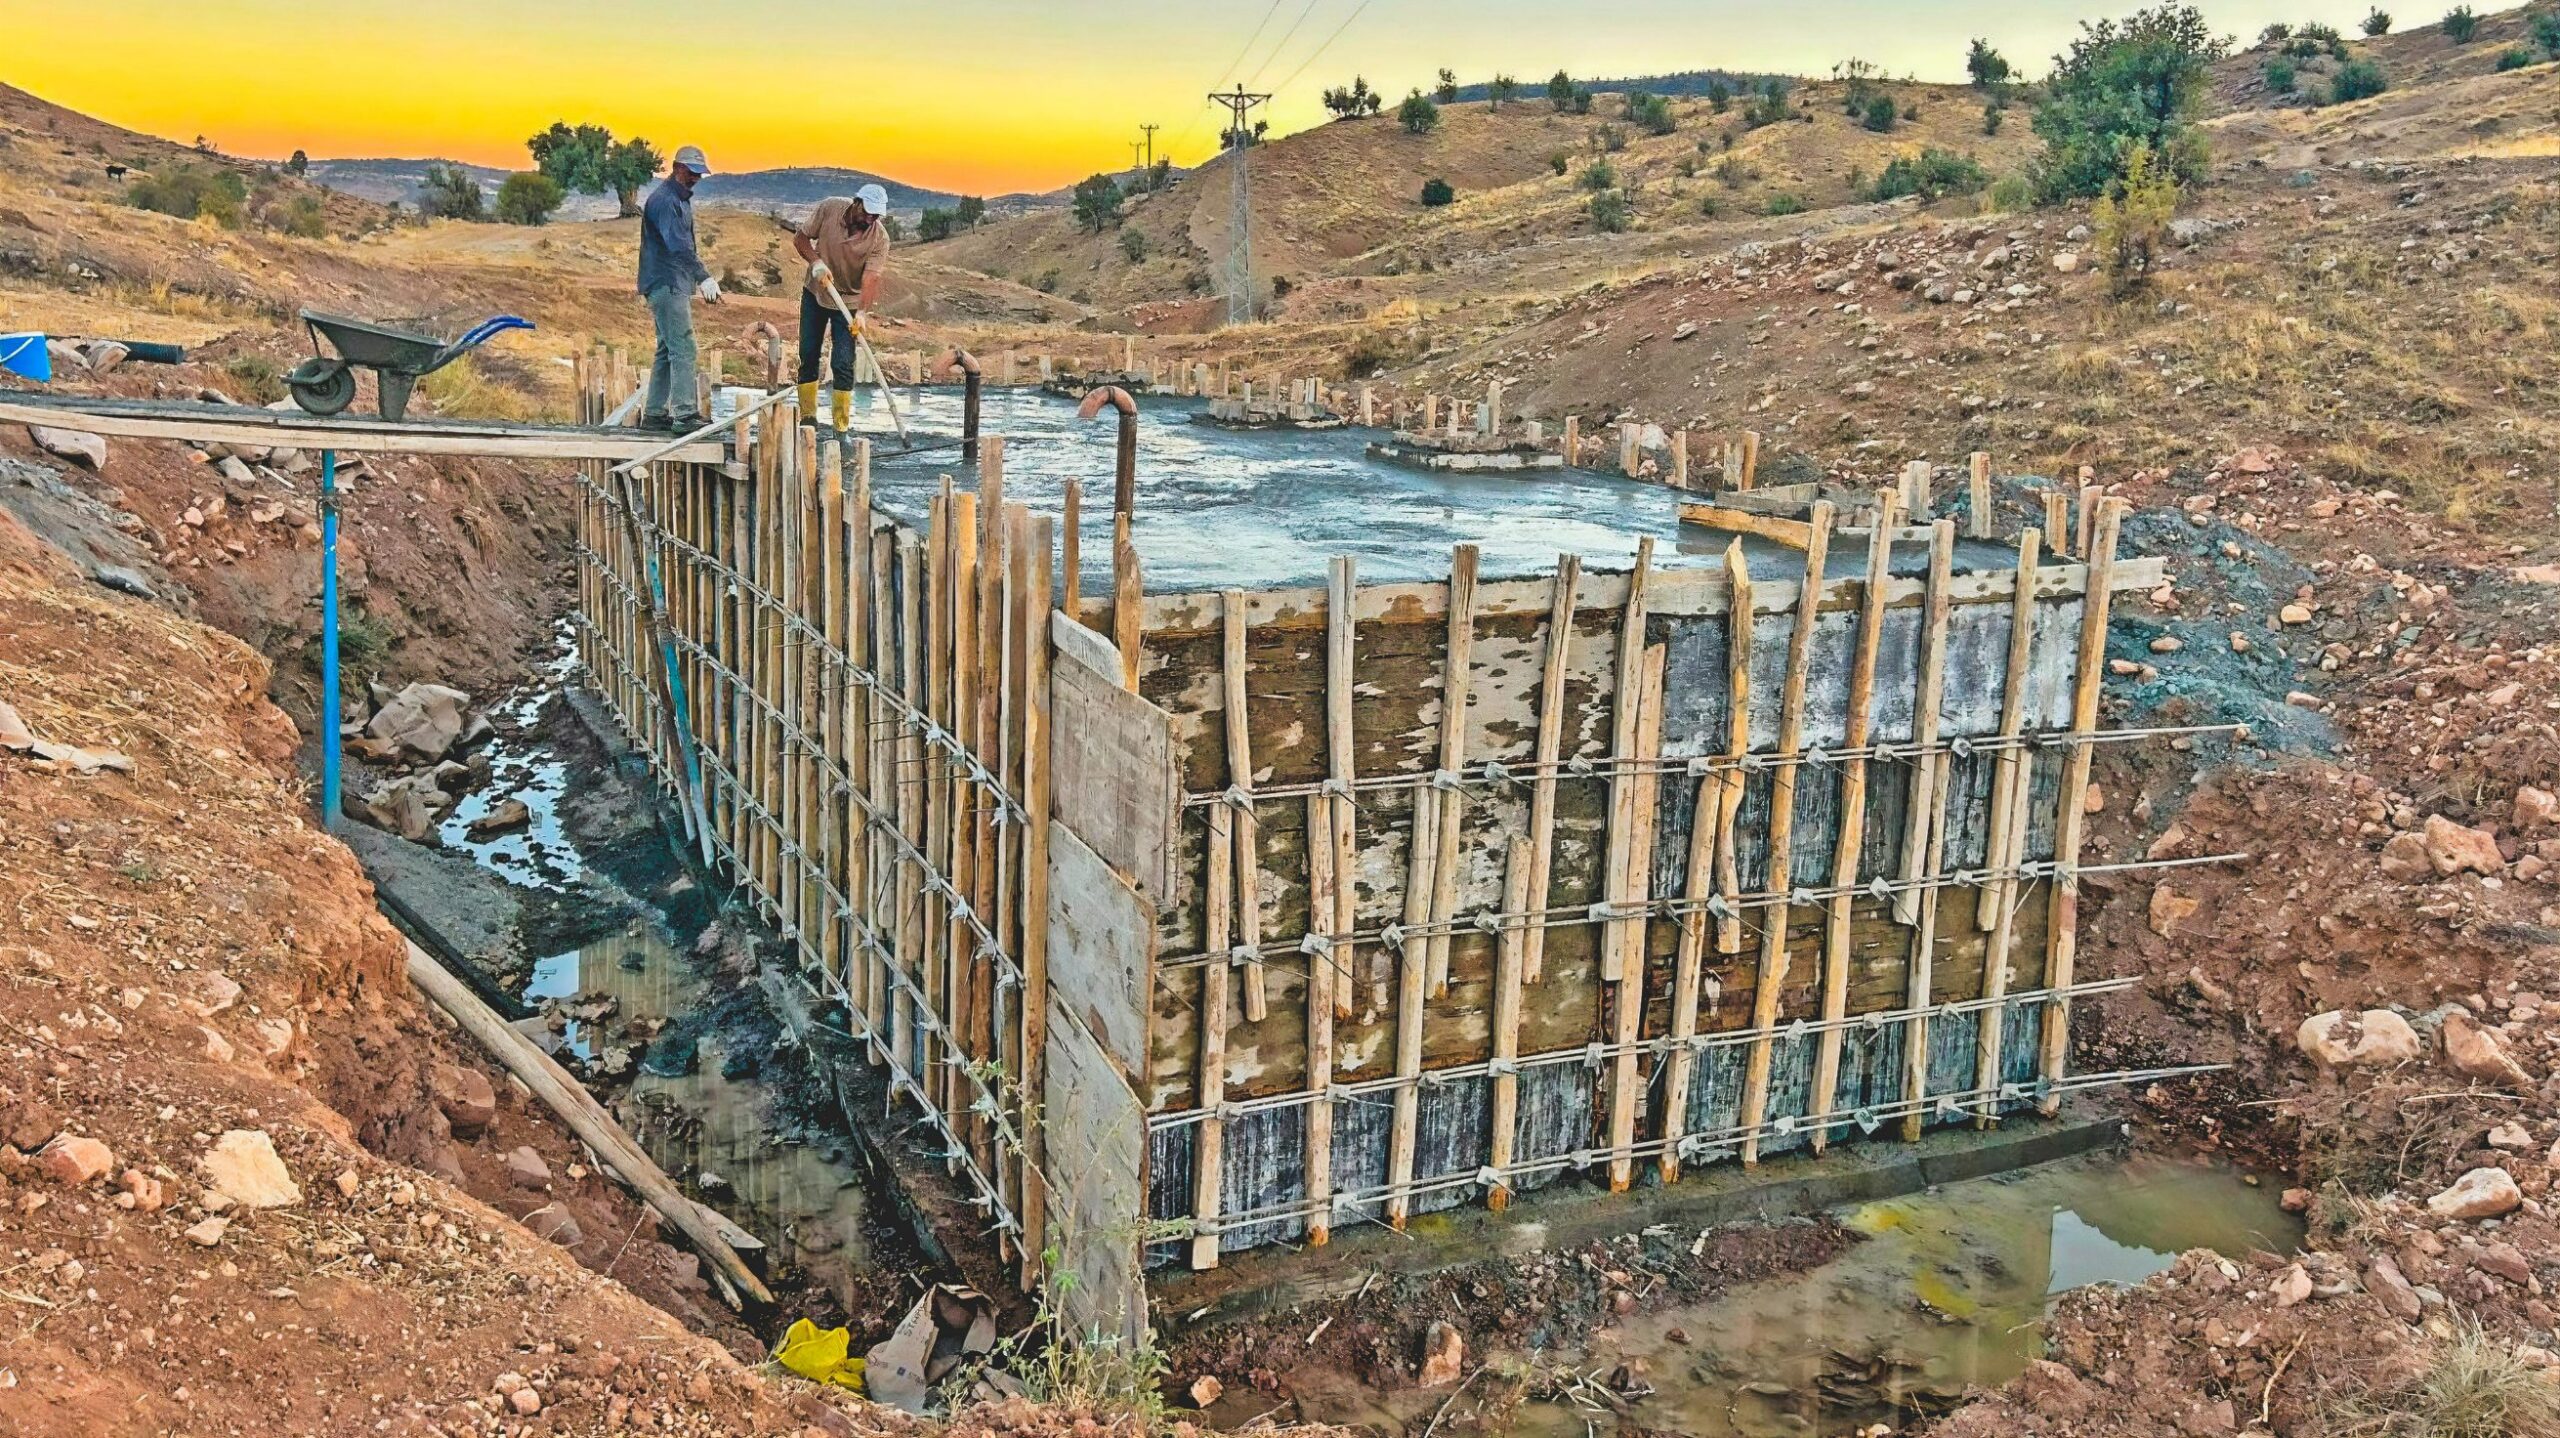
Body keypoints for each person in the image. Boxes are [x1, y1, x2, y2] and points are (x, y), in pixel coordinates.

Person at [789, 182, 891, 431]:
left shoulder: (879, 238)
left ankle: (840, 426)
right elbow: (800, 239)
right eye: (866, 212)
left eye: (875, 215)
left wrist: (863, 312)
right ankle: (808, 418)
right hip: (816, 292)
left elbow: (871, 277)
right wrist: (815, 262)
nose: (869, 219)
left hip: (849, 302)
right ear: (856, 202)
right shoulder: (830, 209)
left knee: (843, 362)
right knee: (809, 353)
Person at [637, 145, 721, 433]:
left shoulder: (679, 199)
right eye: (692, 172)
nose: (696, 178)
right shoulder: (665, 201)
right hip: (666, 282)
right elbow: (678, 247)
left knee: (666, 348)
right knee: (684, 347)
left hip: (672, 282)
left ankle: (654, 414)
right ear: (677, 168)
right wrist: (704, 277)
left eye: (699, 173)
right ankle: (685, 414)